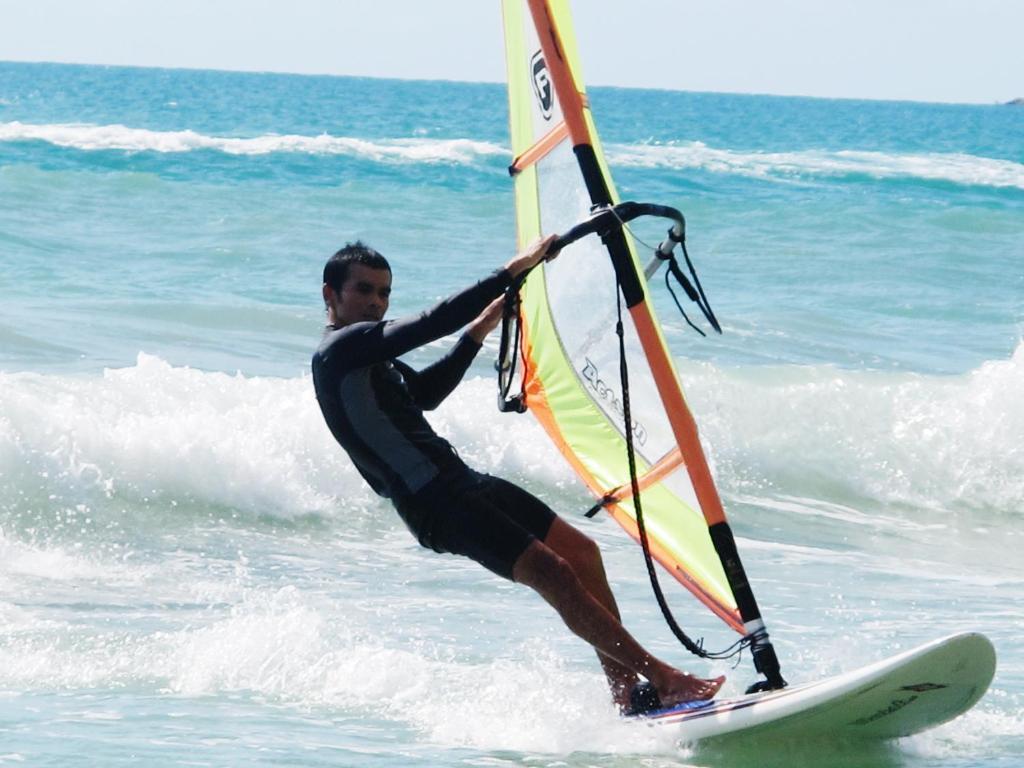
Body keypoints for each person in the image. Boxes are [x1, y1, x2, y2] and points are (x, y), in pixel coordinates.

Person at [311, 235, 724, 713]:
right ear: (330, 295)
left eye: (384, 293)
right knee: (554, 573)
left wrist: (479, 331)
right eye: (364, 291)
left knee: (582, 554)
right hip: (434, 502)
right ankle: (666, 679)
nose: (377, 303)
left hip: (459, 480)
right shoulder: (339, 352)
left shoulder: (367, 355)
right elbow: (432, 322)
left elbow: (424, 394)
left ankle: (625, 692)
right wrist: (513, 269)